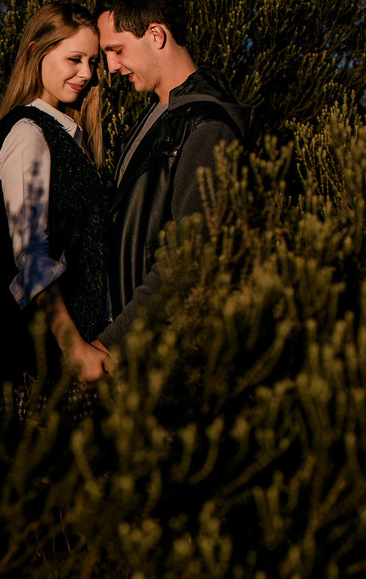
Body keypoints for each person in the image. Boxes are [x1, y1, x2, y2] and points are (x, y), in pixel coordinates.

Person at [93, 0, 250, 354]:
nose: (111, 67)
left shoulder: (207, 127)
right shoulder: (155, 118)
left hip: (165, 359)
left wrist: (112, 344)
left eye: (116, 50)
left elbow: (190, 260)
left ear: (156, 35)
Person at [0, 2, 112, 388]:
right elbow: (30, 257)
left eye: (92, 62)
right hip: (44, 369)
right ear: (37, 50)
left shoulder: (67, 136)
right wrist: (75, 349)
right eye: (74, 59)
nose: (86, 73)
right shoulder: (27, 133)